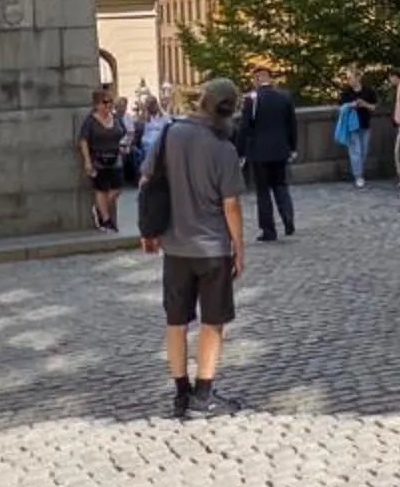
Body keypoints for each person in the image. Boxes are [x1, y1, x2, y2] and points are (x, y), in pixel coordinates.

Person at [146, 77, 250, 419]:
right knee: (213, 320)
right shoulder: (224, 149)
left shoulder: (170, 134)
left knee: (175, 320)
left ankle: (180, 392)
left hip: (176, 246)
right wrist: (239, 246)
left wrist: (150, 228)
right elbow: (230, 204)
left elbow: (148, 180)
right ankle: (204, 394)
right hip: (212, 248)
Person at [240, 65, 300, 241]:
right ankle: (288, 218)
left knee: (263, 191)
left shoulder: (252, 99)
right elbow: (292, 124)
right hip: (281, 149)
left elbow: (245, 127)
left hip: (259, 152)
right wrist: (293, 147)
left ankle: (269, 230)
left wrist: (241, 151)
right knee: (281, 185)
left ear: (258, 78)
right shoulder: (284, 96)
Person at [77, 88, 124, 233]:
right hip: (98, 159)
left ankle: (99, 209)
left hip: (115, 157)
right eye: (105, 102)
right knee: (101, 189)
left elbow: (122, 132)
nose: (109, 105)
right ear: (97, 104)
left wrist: (123, 143)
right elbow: (83, 140)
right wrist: (87, 161)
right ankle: (105, 220)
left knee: (116, 189)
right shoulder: (91, 121)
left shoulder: (115, 118)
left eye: (110, 102)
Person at [334, 75, 376, 188]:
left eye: (352, 78)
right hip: (352, 126)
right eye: (349, 79)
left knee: (364, 151)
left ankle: (360, 172)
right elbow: (340, 108)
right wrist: (350, 105)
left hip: (365, 124)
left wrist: (364, 104)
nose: (350, 81)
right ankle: (358, 175)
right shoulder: (346, 93)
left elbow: (374, 107)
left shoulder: (368, 91)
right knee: (355, 151)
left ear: (358, 79)